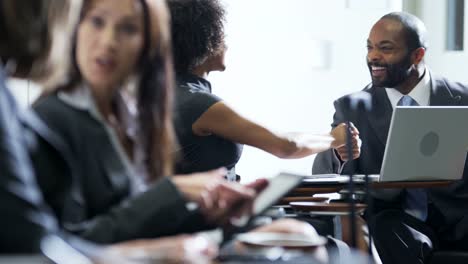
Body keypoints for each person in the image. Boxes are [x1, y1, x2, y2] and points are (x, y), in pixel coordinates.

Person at [313, 12, 468, 264]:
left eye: (386, 49)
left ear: (417, 55)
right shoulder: (352, 108)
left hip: (458, 219)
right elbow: (326, 176)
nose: (373, 56)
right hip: (394, 222)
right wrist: (336, 151)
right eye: (370, 47)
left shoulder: (463, 100)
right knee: (386, 228)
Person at [167, 0, 360, 180]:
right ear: (207, 42)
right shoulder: (199, 104)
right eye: (222, 35)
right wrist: (333, 138)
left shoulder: (171, 95)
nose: (226, 44)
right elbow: (286, 146)